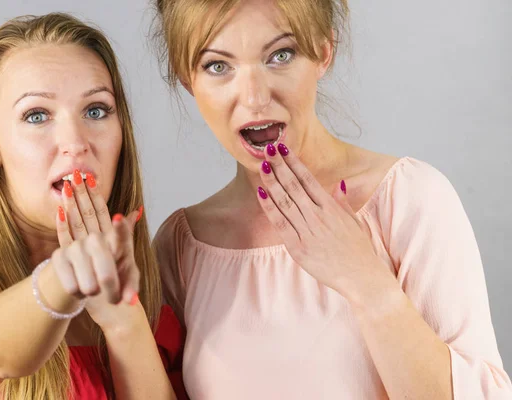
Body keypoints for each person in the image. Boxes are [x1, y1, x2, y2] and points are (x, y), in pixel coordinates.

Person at [151, 0, 512, 398]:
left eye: (280, 55)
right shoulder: (182, 246)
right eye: (218, 66)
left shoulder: (408, 200)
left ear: (324, 51)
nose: (254, 98)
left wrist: (367, 283)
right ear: (188, 79)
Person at [0, 13, 185, 400]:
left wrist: (123, 320)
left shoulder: (152, 293)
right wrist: (66, 276)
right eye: (36, 115)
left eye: (95, 110)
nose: (75, 142)